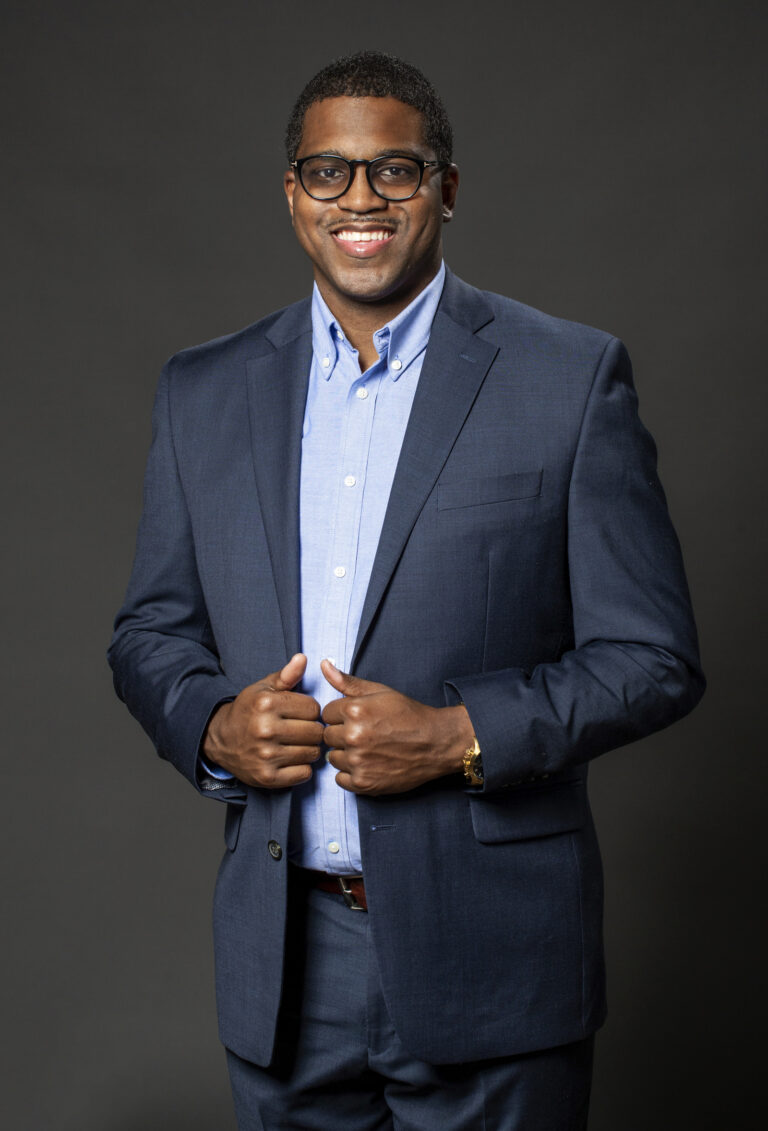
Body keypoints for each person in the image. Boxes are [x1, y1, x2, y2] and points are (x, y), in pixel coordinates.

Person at [108, 50, 704, 1130]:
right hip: (287, 961)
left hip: (495, 955)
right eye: (329, 173)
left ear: (446, 188)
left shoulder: (569, 378)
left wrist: (458, 738)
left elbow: (654, 657)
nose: (362, 202)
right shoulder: (203, 390)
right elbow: (150, 628)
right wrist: (212, 726)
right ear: (293, 193)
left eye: (396, 170)